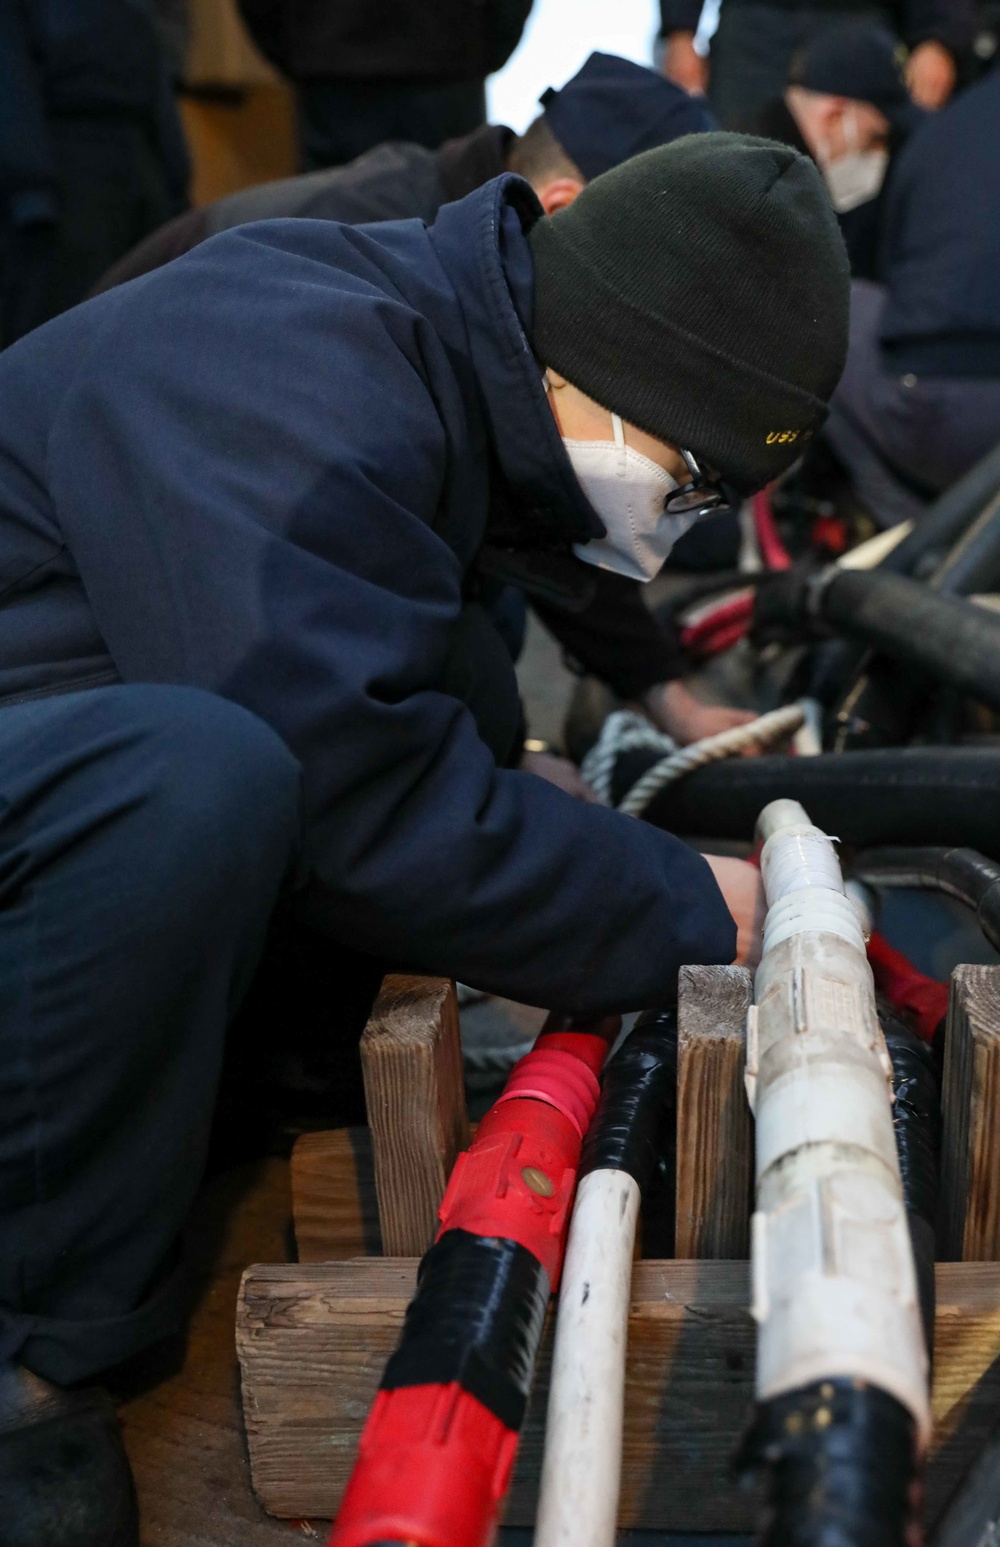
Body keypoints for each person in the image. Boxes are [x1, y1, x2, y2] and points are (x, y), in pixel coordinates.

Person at [0, 134, 849, 1543]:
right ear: (613, 368)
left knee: (448, 684)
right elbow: (346, 788)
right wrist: (681, 902)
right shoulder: (297, 361)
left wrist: (532, 805)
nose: (679, 520)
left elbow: (384, 706)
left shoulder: (435, 364)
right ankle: (37, 1341)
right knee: (192, 781)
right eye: (688, 477)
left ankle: (227, 1099)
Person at [95, 53, 739, 778]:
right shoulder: (364, 269)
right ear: (563, 208)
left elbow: (550, 493)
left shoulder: (470, 242)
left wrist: (661, 691)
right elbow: (295, 647)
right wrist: (508, 794)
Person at [823, 64, 1000, 526]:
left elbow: (894, 283)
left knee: (823, 309)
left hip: (929, 404)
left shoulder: (944, 129)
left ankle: (919, 549)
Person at [0, 0, 190, 349]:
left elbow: (155, 75)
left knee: (138, 326)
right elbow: (10, 82)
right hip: (66, 173)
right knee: (59, 333)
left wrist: (175, 181)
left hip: (134, 168)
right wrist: (31, 192)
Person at [237, 0, 533, 170]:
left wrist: (297, 52)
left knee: (334, 235)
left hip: (332, 68)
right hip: (447, 67)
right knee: (452, 225)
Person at [740, 22, 924, 277]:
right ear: (834, 117)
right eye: (875, 139)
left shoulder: (801, 172)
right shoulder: (748, 187)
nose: (882, 153)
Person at [660, 0, 972, 125]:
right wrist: (680, 31)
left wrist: (940, 37)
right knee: (731, 164)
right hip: (753, 31)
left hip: (858, 22)